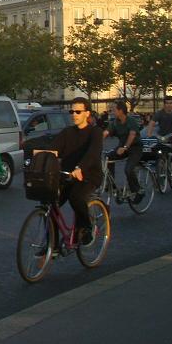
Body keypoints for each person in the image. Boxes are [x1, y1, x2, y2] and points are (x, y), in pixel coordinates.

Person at [49, 97, 104, 245]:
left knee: (76, 197)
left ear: (87, 113)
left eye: (78, 111)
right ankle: (51, 245)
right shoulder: (67, 132)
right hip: (68, 176)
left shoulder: (95, 132)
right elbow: (53, 148)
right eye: (72, 111)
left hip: (89, 176)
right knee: (50, 203)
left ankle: (86, 228)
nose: (74, 114)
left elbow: (93, 153)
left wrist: (80, 168)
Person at [103, 99, 144, 202]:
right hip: (122, 148)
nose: (112, 111)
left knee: (128, 169)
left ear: (120, 111)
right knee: (108, 156)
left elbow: (132, 134)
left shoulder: (131, 121)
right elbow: (106, 133)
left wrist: (125, 147)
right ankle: (111, 184)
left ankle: (138, 191)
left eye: (113, 109)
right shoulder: (115, 122)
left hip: (135, 148)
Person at [148, 95, 172, 169]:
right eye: (167, 103)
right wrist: (149, 133)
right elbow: (152, 123)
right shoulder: (159, 113)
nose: (169, 105)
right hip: (162, 136)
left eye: (170, 103)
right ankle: (159, 161)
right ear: (164, 104)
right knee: (156, 148)